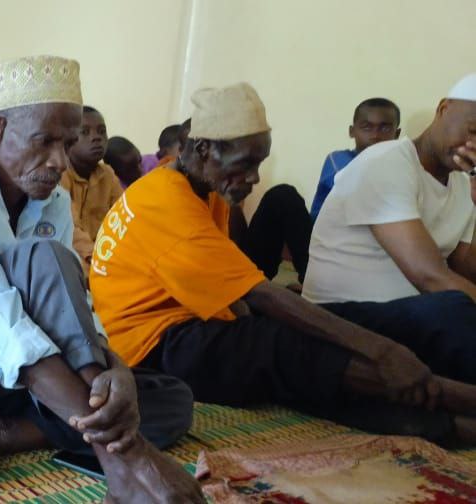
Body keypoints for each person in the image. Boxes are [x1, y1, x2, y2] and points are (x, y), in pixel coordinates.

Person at [0, 56, 202, 502]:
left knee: (170, 399)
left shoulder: (52, 202)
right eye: (44, 141)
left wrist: (112, 368)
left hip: (13, 369)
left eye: (67, 143)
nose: (59, 161)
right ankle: (116, 462)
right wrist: (130, 455)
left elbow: (70, 305)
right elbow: (1, 329)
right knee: (41, 260)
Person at [91, 82, 476, 448]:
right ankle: (453, 410)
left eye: (259, 163)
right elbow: (262, 296)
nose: (254, 177)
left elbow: (237, 294)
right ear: (203, 150)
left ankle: (441, 408)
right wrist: (382, 352)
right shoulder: (166, 203)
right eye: (245, 164)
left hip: (198, 319)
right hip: (154, 349)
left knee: (345, 329)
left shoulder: (194, 183)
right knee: (287, 349)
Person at [304, 74, 476, 384]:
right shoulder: (386, 161)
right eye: (473, 130)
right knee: (452, 308)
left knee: (453, 310)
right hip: (338, 322)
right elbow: (430, 277)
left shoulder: (463, 185)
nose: (474, 146)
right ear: (444, 109)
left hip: (410, 319)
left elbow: (466, 266)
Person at [309, 98, 401, 219]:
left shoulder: (402, 165)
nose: (375, 135)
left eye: (385, 129)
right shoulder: (338, 159)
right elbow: (359, 192)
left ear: (397, 134)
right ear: (352, 131)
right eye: (366, 127)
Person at [61, 106, 121, 272]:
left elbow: (124, 220)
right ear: (68, 141)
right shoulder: (60, 174)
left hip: (104, 256)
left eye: (102, 132)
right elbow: (70, 229)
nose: (96, 138)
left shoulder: (107, 175)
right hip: (74, 253)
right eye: (85, 132)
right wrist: (100, 259)